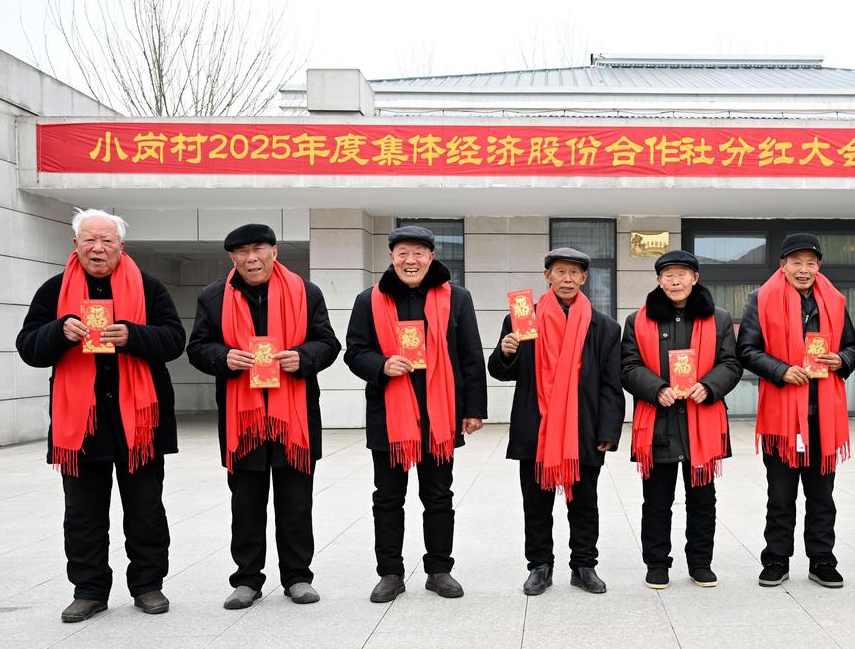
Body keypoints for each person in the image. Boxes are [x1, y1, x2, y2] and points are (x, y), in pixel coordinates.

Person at [16, 209, 184, 622]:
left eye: (107, 240)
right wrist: (58, 331)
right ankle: (89, 590)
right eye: (90, 240)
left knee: (146, 510)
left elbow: (174, 340)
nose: (98, 248)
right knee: (83, 514)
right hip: (81, 425)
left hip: (139, 423)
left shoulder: (148, 287)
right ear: (75, 244)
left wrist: (132, 335)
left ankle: (148, 585)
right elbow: (28, 347)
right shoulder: (54, 290)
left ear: (121, 246)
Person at [187, 224, 340, 609]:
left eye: (258, 249)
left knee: (296, 503)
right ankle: (246, 579)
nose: (251, 258)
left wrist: (302, 357)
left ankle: (298, 577)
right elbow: (198, 347)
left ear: (274, 251)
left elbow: (327, 343)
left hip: (295, 420)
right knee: (246, 504)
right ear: (232, 257)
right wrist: (223, 357)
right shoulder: (214, 296)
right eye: (242, 252)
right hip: (243, 421)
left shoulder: (306, 292)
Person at [343, 225, 487, 602]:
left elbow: (470, 354)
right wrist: (381, 365)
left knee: (438, 496)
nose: (411, 260)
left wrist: (474, 409)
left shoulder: (456, 298)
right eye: (403, 253)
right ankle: (390, 573)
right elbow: (354, 352)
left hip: (440, 415)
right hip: (389, 416)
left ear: (431, 257)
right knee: (387, 498)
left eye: (419, 253)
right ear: (392, 257)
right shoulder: (368, 300)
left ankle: (439, 570)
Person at [487, 248, 625, 596]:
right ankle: (540, 566)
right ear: (547, 276)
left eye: (574, 273)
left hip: (583, 427)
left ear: (584, 279)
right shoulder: (522, 319)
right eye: (560, 272)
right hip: (537, 426)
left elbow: (611, 384)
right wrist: (505, 352)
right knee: (536, 504)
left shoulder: (604, 327)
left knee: (585, 503)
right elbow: (502, 372)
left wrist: (609, 430)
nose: (567, 279)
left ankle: (584, 565)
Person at [737, 234, 855, 588]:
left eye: (810, 263)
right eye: (796, 262)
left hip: (823, 414)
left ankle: (822, 560)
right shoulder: (761, 298)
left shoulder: (834, 301)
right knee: (780, 495)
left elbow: (854, 346)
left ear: (818, 266)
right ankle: (776, 559)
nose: (803, 269)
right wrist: (781, 370)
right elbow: (746, 349)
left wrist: (841, 359)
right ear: (783, 266)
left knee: (822, 495)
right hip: (782, 415)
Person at [621, 250, 741, 589]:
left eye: (682, 274)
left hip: (702, 422)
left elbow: (731, 363)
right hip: (658, 422)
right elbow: (627, 366)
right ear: (658, 280)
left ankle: (700, 563)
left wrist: (710, 386)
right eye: (668, 275)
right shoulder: (638, 320)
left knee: (702, 500)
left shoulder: (718, 318)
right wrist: (656, 388)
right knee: (656, 501)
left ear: (695, 278)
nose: (675, 281)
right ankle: (657, 563)